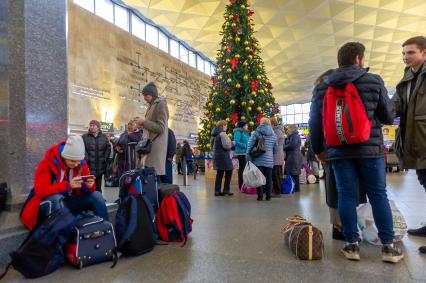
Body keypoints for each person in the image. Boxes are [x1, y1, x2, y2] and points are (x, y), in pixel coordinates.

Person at [309, 42, 403, 263]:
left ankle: (351, 245)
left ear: (339, 60)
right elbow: (389, 116)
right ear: (359, 59)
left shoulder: (324, 85)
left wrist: (318, 150)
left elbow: (315, 122)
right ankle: (388, 248)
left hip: (338, 149)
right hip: (369, 149)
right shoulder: (373, 80)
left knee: (346, 195)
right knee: (378, 195)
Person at [20, 135, 109, 231]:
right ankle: (60, 238)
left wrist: (89, 186)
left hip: (67, 202)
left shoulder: (80, 164)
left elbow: (84, 191)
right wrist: (67, 185)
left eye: (78, 161)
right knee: (57, 198)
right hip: (47, 205)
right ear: (64, 157)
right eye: (72, 161)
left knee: (96, 195)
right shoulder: (46, 165)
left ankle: (105, 230)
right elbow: (40, 192)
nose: (76, 164)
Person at [391, 36, 426, 253]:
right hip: (417, 140)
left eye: (411, 52)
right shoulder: (408, 77)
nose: (405, 57)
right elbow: (396, 105)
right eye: (403, 53)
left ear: (424, 53)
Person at [137, 82, 169, 177]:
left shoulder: (161, 104)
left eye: (146, 95)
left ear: (152, 94)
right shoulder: (152, 105)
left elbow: (161, 128)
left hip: (155, 147)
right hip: (150, 146)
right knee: (149, 179)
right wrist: (142, 125)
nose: (144, 98)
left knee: (154, 178)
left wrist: (144, 122)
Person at [246, 118, 277, 201]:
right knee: (269, 178)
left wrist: (248, 156)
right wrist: (271, 154)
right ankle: (268, 196)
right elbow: (275, 148)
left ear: (261, 123)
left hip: (258, 158)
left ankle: (260, 196)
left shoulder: (256, 133)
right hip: (269, 160)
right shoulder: (273, 134)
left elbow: (250, 144)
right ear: (269, 124)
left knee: (259, 178)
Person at [82, 120, 111, 192]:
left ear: (98, 127)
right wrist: (86, 158)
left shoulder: (104, 137)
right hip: (89, 165)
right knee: (90, 184)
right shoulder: (84, 137)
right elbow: (83, 149)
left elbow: (108, 148)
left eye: (93, 125)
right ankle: (90, 198)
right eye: (90, 125)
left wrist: (105, 158)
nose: (91, 127)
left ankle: (99, 198)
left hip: (100, 165)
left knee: (99, 184)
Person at [211, 120, 234, 197]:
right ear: (223, 125)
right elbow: (226, 146)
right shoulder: (222, 134)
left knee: (219, 174)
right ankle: (226, 190)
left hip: (216, 156)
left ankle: (217, 191)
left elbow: (212, 146)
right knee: (229, 171)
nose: (226, 127)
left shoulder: (214, 135)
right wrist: (232, 143)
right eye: (226, 125)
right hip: (224, 156)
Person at [283, 125, 303, 192]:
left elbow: (292, 145)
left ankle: (296, 188)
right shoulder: (293, 136)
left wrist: (283, 147)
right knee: (293, 172)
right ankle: (295, 187)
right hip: (293, 156)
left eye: (288, 129)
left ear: (291, 129)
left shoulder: (295, 136)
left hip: (294, 156)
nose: (287, 130)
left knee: (294, 173)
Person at [233, 121, 250, 189]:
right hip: (241, 152)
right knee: (242, 169)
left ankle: (244, 184)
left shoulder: (245, 132)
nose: (247, 126)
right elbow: (236, 141)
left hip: (245, 152)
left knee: (244, 169)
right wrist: (245, 145)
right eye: (246, 125)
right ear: (242, 126)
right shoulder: (238, 132)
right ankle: (241, 185)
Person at [271, 117, 285, 196]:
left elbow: (274, 143)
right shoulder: (279, 131)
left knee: (275, 174)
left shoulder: (276, 132)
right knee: (278, 173)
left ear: (272, 124)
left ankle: (277, 191)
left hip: (276, 155)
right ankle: (279, 190)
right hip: (279, 154)